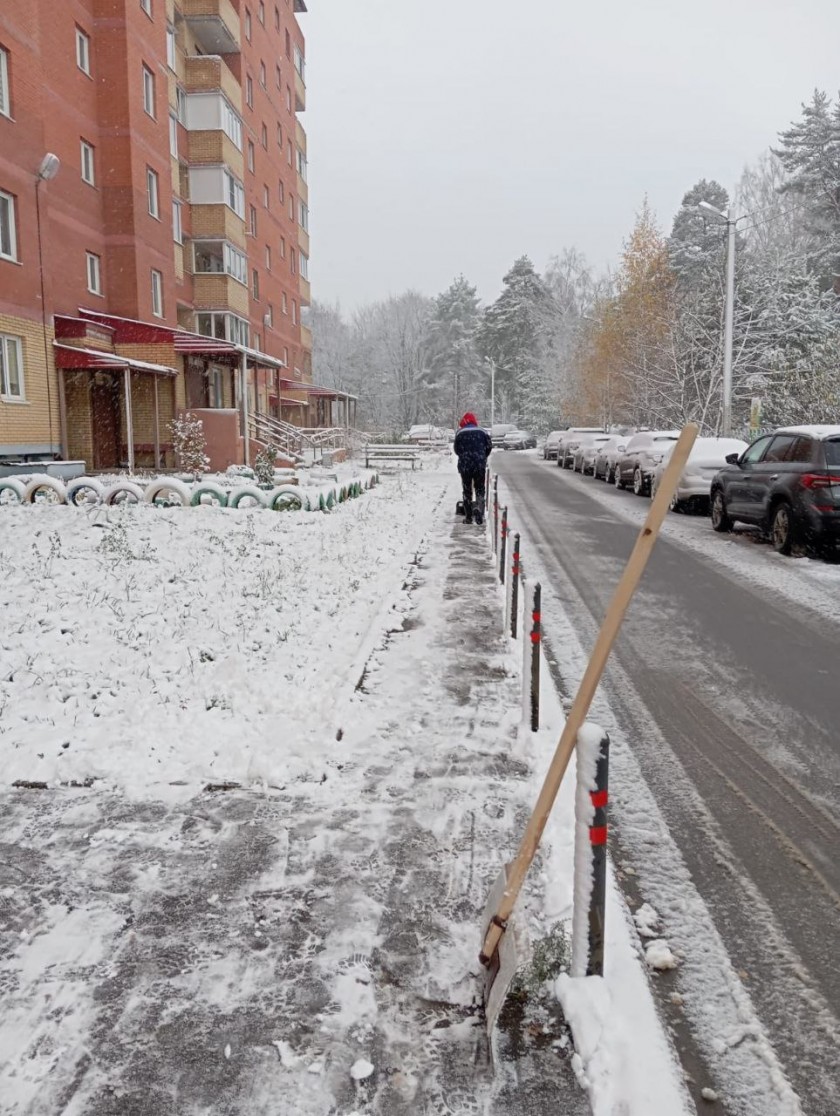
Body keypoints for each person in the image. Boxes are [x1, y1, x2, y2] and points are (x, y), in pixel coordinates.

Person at [453, 412, 492, 525]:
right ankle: (479, 509)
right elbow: (489, 447)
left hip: (465, 466)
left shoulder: (460, 433)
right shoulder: (482, 432)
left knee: (467, 490)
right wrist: (482, 456)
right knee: (480, 488)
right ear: (474, 421)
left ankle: (469, 517)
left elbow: (456, 449)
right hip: (479, 465)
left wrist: (465, 456)